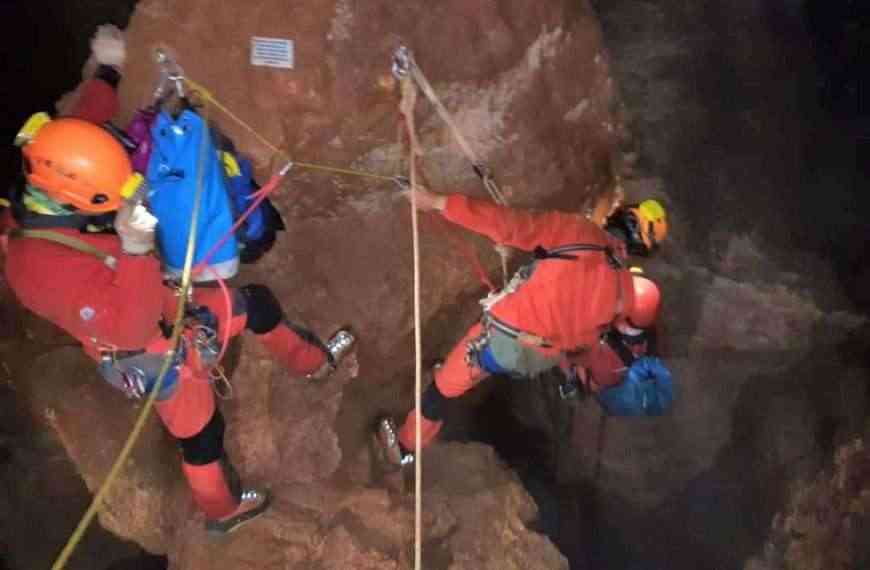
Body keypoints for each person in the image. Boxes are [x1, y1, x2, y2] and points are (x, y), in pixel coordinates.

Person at [1, 25, 354, 535]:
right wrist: (135, 250)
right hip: (149, 350)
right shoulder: (37, 271)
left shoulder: (49, 177)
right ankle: (221, 512)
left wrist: (108, 69)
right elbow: (130, 325)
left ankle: (313, 364)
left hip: (157, 305)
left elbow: (81, 134)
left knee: (254, 304)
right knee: (201, 434)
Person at [376, 187, 667, 465]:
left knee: (441, 391)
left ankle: (403, 448)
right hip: (537, 357)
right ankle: (469, 370)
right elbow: (585, 339)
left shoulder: (579, 231)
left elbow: (511, 225)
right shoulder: (624, 295)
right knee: (487, 361)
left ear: (621, 216)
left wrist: (438, 202)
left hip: (505, 338)